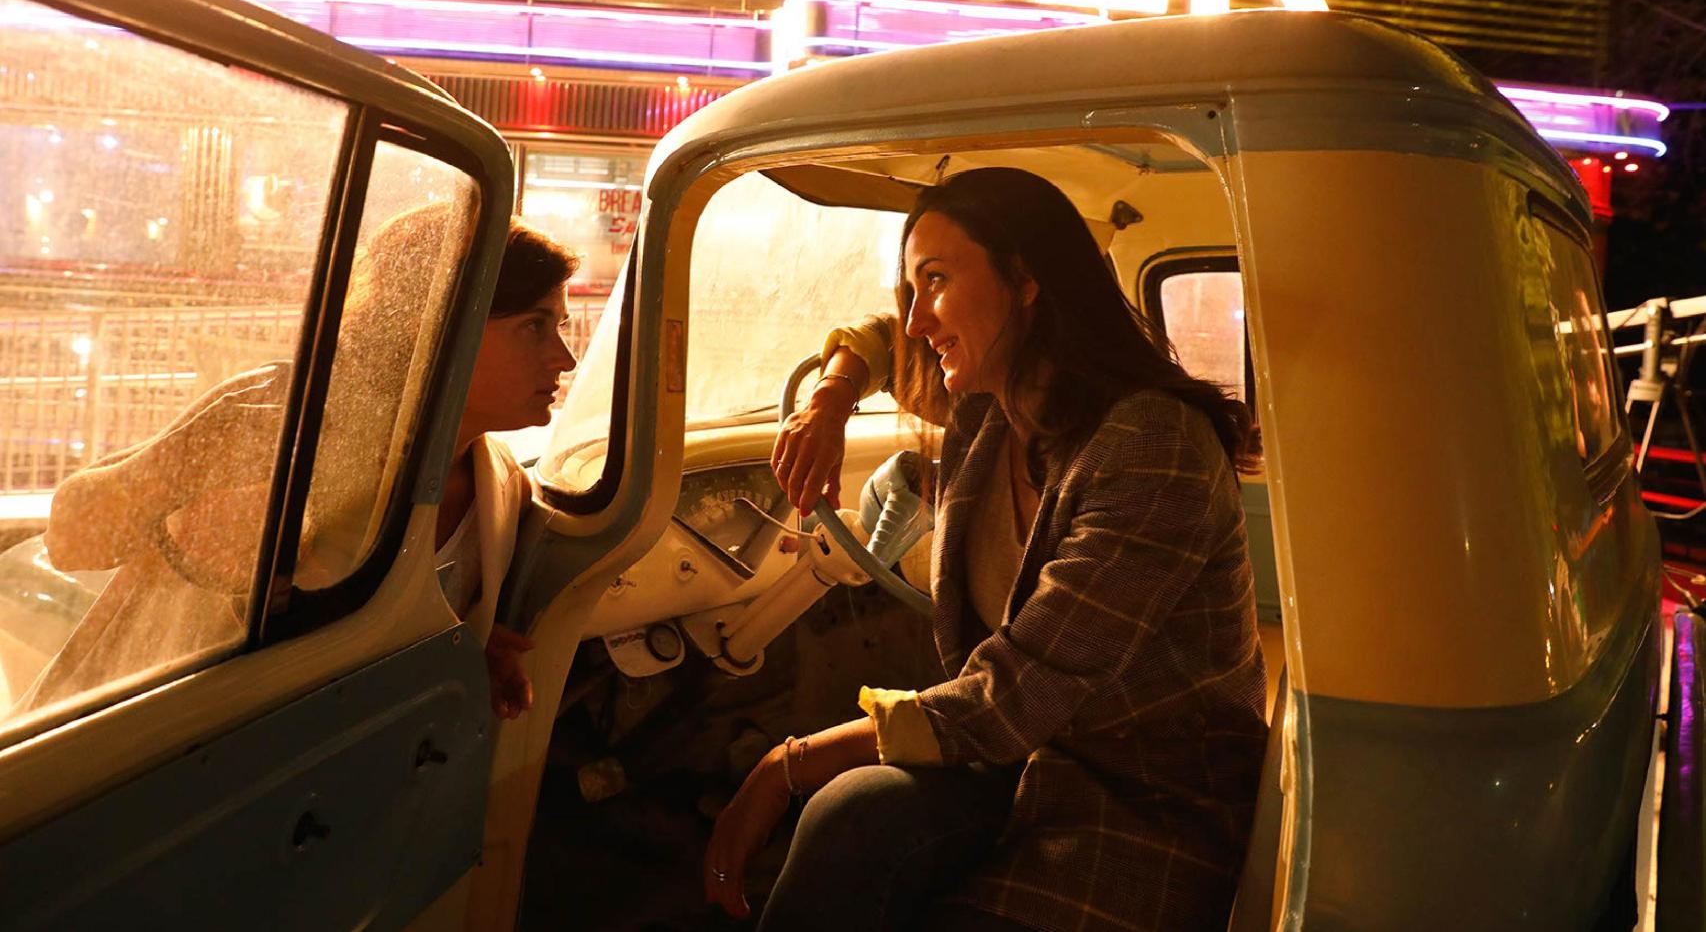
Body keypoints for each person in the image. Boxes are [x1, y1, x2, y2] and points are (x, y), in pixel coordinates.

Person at [703, 168, 1269, 932]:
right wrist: (830, 398)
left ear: (1026, 279)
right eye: (912, 287)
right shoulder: (994, 408)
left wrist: (786, 765)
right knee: (850, 816)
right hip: (1019, 767)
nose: (917, 320)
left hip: (1135, 809)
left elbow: (1016, 693)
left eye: (936, 281)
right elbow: (886, 338)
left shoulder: (1151, 443)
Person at [29, 207, 578, 722]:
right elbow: (71, 539)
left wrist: (460, 651)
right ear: (437, 323)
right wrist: (185, 470)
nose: (566, 358)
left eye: (559, 326)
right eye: (535, 326)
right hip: (145, 739)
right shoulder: (283, 419)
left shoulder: (502, 488)